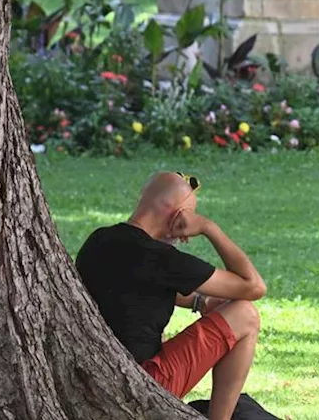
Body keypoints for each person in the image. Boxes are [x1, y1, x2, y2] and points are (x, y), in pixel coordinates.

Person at [76, 171, 266, 420]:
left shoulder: (99, 241)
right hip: (142, 387)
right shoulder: (161, 258)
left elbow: (138, 286)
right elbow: (253, 287)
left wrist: (201, 301)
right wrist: (209, 228)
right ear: (179, 215)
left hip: (94, 383)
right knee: (245, 314)